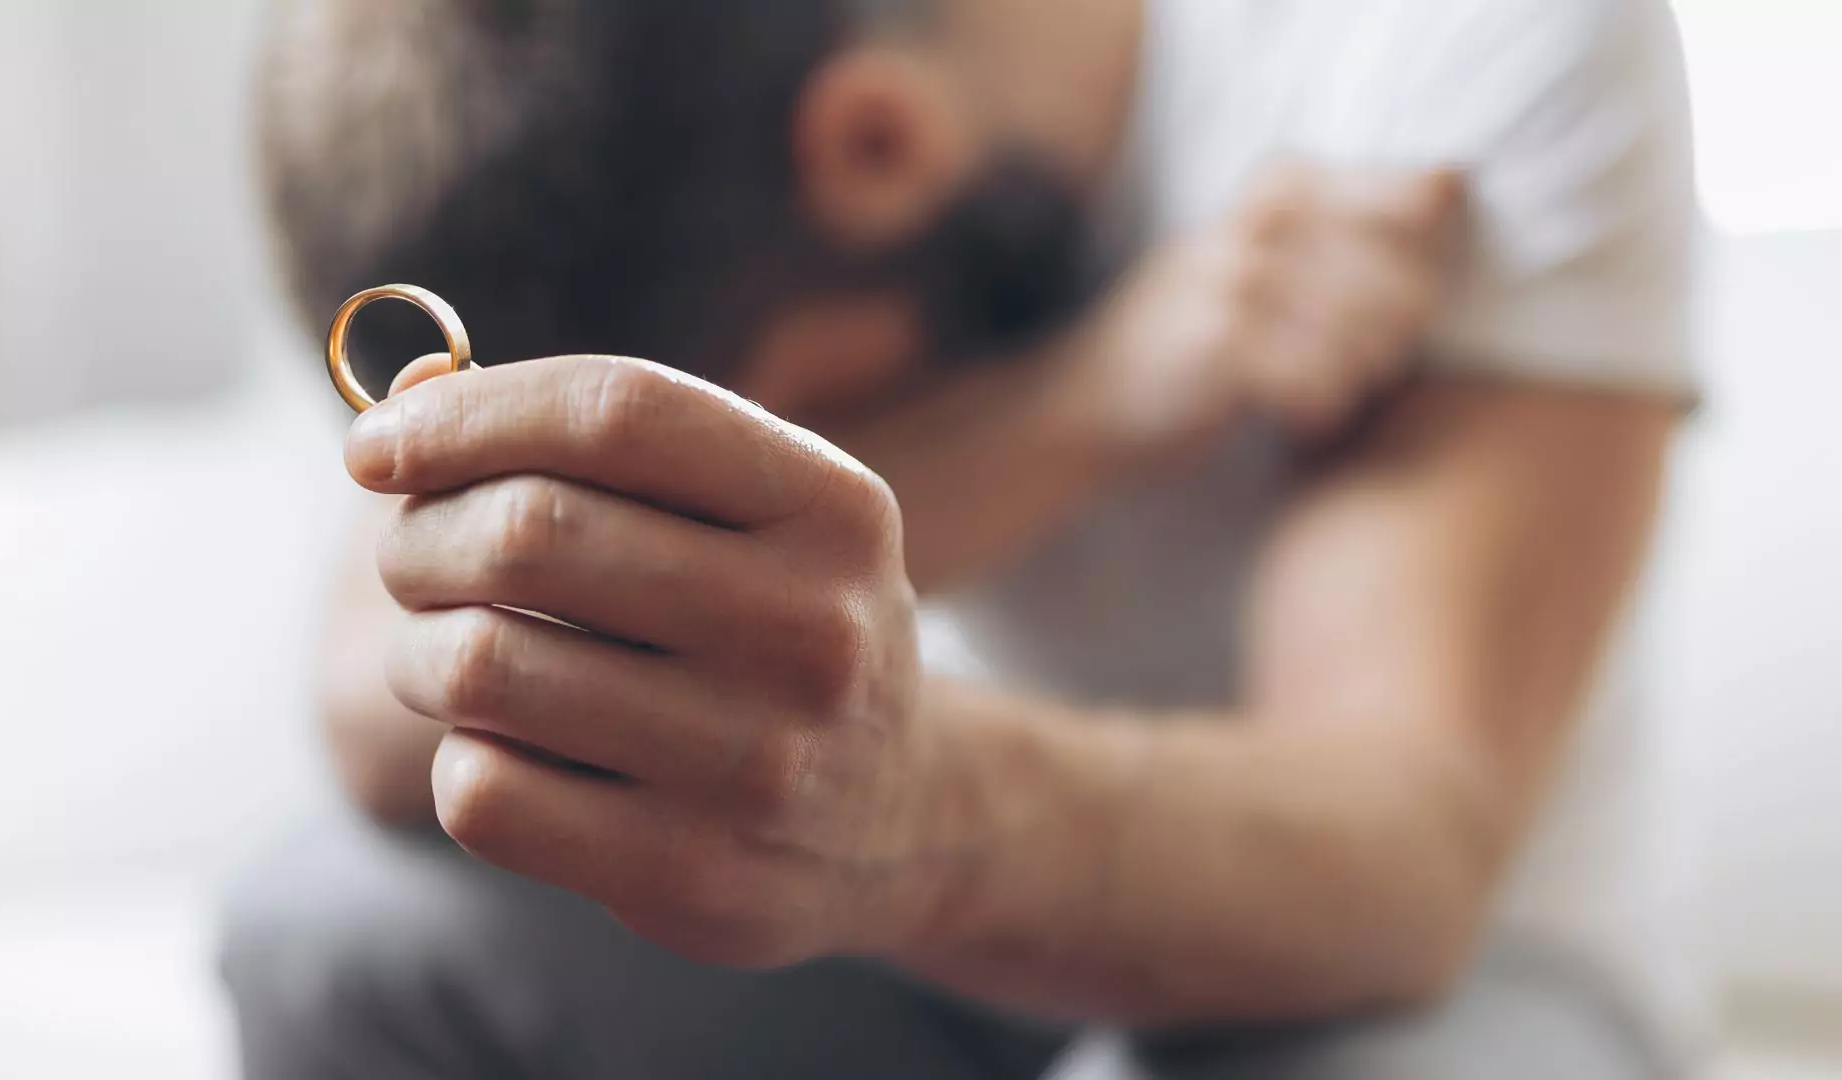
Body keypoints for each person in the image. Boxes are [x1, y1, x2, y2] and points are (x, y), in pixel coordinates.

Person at [222, 0, 1700, 1076]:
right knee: (333, 931)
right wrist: (1097, 394)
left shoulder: (1455, 40)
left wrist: (907, 816)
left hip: (1423, 982)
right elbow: (371, 692)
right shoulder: (598, 142)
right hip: (933, 966)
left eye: (742, 421)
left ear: (874, 145)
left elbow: (1400, 869)